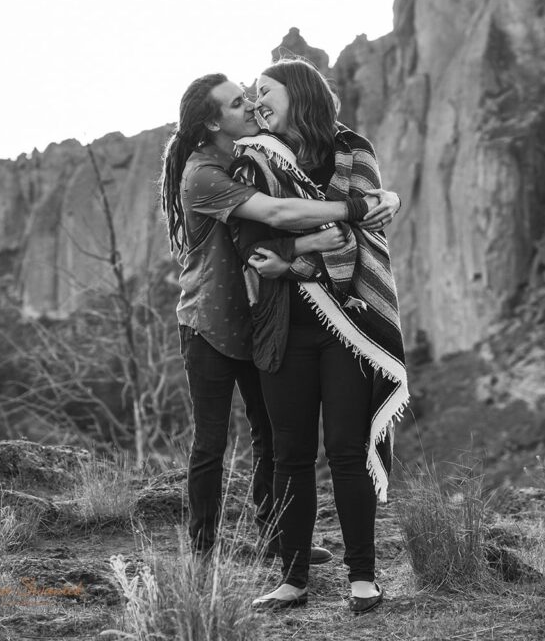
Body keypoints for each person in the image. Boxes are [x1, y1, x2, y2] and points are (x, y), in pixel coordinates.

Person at [159, 73, 399, 559]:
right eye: (235, 103)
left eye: (251, 96)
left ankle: (277, 542)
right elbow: (277, 216)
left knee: (271, 437)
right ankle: (202, 553)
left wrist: (387, 197)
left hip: (258, 320)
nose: (249, 105)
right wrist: (357, 209)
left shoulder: (255, 155)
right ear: (211, 122)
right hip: (209, 324)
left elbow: (318, 163)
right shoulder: (204, 172)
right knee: (211, 444)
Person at [227, 59, 408, 614]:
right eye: (252, 95)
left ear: (297, 92)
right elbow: (251, 239)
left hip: (349, 324)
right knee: (290, 455)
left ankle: (363, 578)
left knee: (348, 451)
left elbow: (362, 234)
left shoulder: (354, 150)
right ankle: (292, 579)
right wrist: (303, 249)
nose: (257, 102)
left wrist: (294, 259)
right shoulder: (255, 157)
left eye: (266, 92)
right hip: (284, 324)